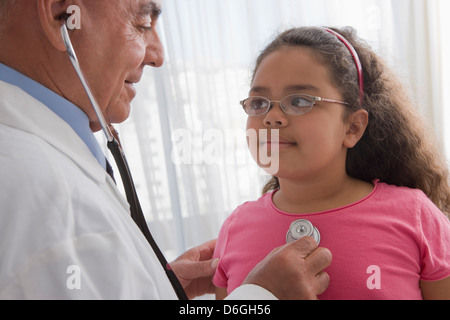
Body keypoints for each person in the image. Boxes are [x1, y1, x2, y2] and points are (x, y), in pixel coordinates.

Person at [0, 0, 332, 300]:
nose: (158, 55)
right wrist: (261, 299)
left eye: (300, 101)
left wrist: (156, 287)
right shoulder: (46, 200)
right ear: (63, 14)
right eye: (143, 23)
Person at [213, 26, 450, 300]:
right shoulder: (235, 227)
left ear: (352, 127)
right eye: (258, 103)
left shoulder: (415, 215)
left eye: (300, 100)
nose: (272, 117)